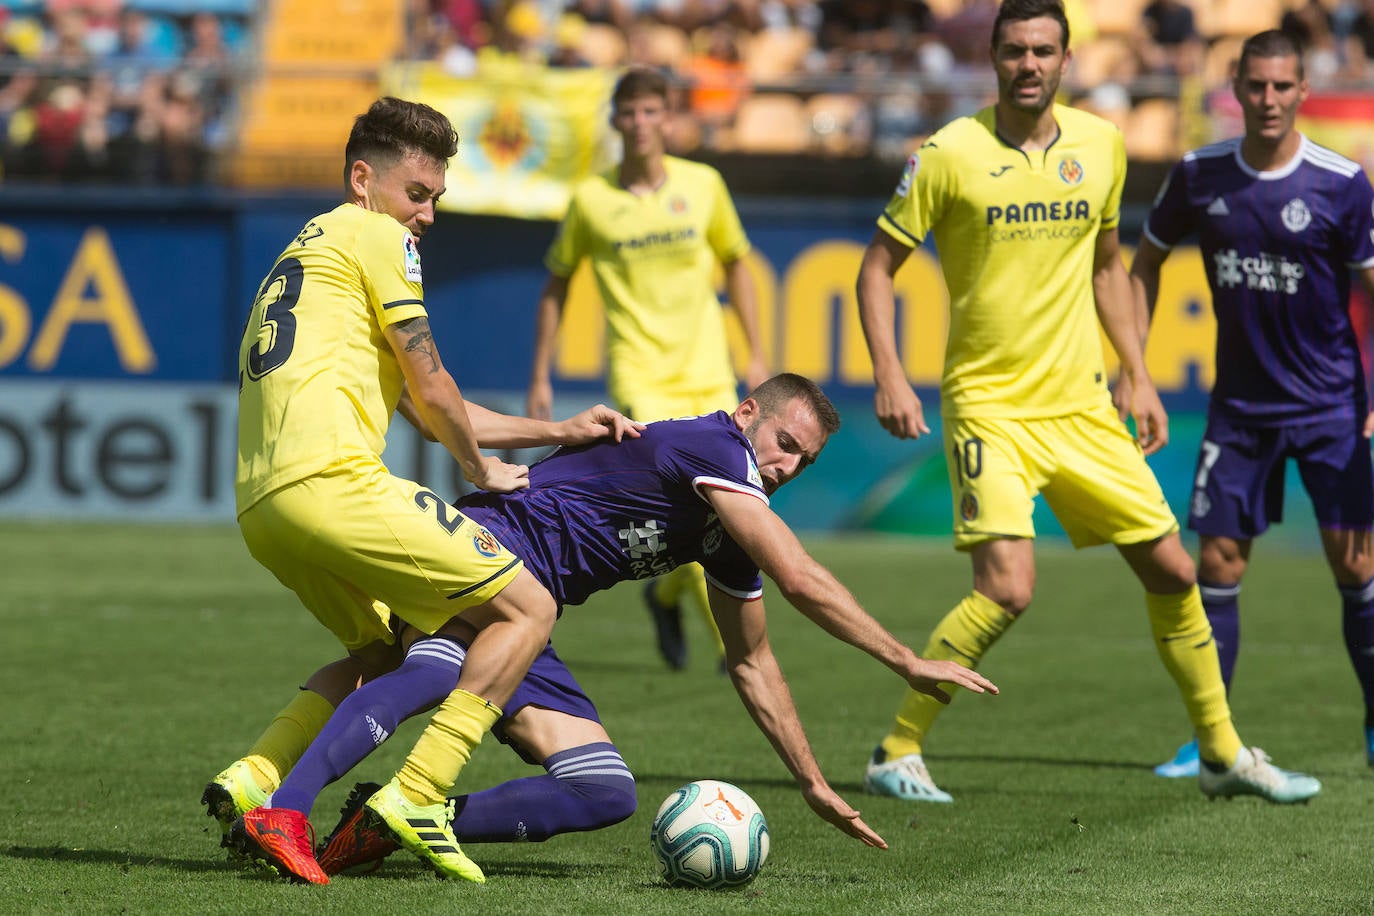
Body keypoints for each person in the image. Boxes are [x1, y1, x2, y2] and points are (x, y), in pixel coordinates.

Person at [221, 374, 1001, 883]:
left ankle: (381, 825)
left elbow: (754, 662)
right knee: (430, 669)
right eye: (785, 445)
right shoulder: (711, 446)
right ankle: (282, 807)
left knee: (604, 791)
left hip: (531, 615)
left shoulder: (729, 524)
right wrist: (906, 660)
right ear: (747, 416)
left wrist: (812, 782)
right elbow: (799, 576)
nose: (789, 467)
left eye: (807, 461)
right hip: (491, 550)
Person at [853, 0, 1320, 806]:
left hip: (1082, 405)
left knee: (1174, 569)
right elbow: (874, 270)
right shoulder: (948, 154)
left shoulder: (1100, 145)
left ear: (1068, 58)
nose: (1028, 64)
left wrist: (1135, 371)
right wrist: (890, 375)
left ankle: (1219, 752)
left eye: (1043, 50)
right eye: (1013, 51)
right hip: (990, 406)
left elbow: (1110, 269)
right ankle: (896, 750)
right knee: (1007, 587)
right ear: (992, 59)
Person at [202, 96, 641, 884]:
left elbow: (429, 402)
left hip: (263, 505)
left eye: (437, 198)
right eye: (418, 194)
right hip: (335, 482)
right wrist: (480, 471)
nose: (428, 215)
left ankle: (264, 783)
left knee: (382, 651)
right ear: (363, 179)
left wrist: (557, 431)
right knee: (528, 607)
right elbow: (432, 384)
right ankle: (420, 792)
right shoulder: (378, 237)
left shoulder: (310, 251)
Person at [1128, 29, 1374, 779]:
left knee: (1355, 565)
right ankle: (1213, 740)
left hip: (1331, 404)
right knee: (1218, 563)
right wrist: (1133, 370)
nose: (1267, 99)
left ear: (1303, 90)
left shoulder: (1342, 183)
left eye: (1281, 86)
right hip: (1238, 409)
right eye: (1255, 85)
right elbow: (1143, 265)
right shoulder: (1199, 175)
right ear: (1234, 87)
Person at [526, 66, 769, 673]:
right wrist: (540, 375)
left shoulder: (705, 186)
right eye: (628, 112)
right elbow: (556, 284)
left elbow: (738, 264)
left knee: (726, 510)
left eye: (650, 110)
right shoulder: (592, 200)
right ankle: (729, 649)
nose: (639, 123)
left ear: (669, 116)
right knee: (686, 505)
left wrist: (757, 351)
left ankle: (663, 595)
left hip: (709, 370)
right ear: (615, 120)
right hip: (641, 377)